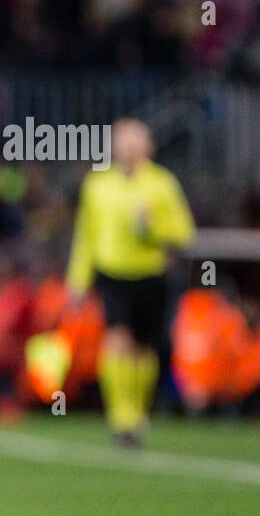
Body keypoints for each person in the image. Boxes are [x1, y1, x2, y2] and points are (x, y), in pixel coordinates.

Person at [66, 118, 195, 446]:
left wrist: (152, 228)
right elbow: (86, 236)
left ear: (148, 148)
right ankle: (120, 417)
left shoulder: (162, 184)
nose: (127, 148)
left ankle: (138, 415)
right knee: (116, 340)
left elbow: (184, 233)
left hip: (150, 274)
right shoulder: (98, 186)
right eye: (121, 142)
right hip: (113, 273)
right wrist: (78, 280)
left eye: (134, 142)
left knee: (143, 349)